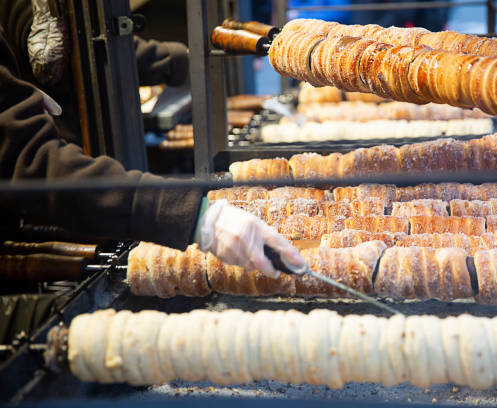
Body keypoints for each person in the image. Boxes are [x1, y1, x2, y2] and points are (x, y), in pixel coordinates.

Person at [0, 1, 304, 278]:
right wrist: (197, 218)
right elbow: (26, 161)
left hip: (83, 184)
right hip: (57, 196)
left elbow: (91, 42)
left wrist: (180, 61)